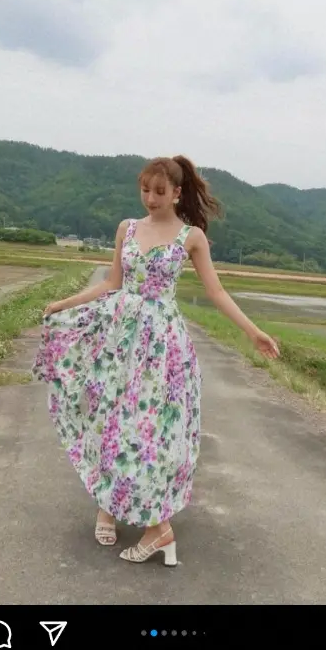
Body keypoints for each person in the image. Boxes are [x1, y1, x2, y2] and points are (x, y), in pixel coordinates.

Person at [32, 155, 280, 567]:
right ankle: (107, 505)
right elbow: (112, 282)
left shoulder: (191, 237)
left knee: (150, 430)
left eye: (160, 192)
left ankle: (156, 524)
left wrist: (253, 331)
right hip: (120, 339)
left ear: (177, 193)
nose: (150, 198)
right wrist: (65, 303)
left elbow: (216, 292)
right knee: (109, 420)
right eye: (145, 190)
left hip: (163, 346)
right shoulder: (127, 228)